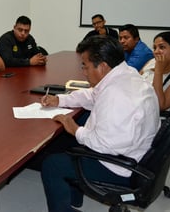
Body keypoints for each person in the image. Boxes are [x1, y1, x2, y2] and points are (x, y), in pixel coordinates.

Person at [40, 35, 159, 212]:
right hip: (132, 151)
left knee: (52, 164)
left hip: (120, 165)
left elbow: (103, 144)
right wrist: (59, 100)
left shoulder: (116, 96)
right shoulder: (125, 74)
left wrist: (76, 130)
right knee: (75, 128)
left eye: (85, 66)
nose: (83, 72)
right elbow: (91, 95)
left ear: (102, 66)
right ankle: (75, 197)